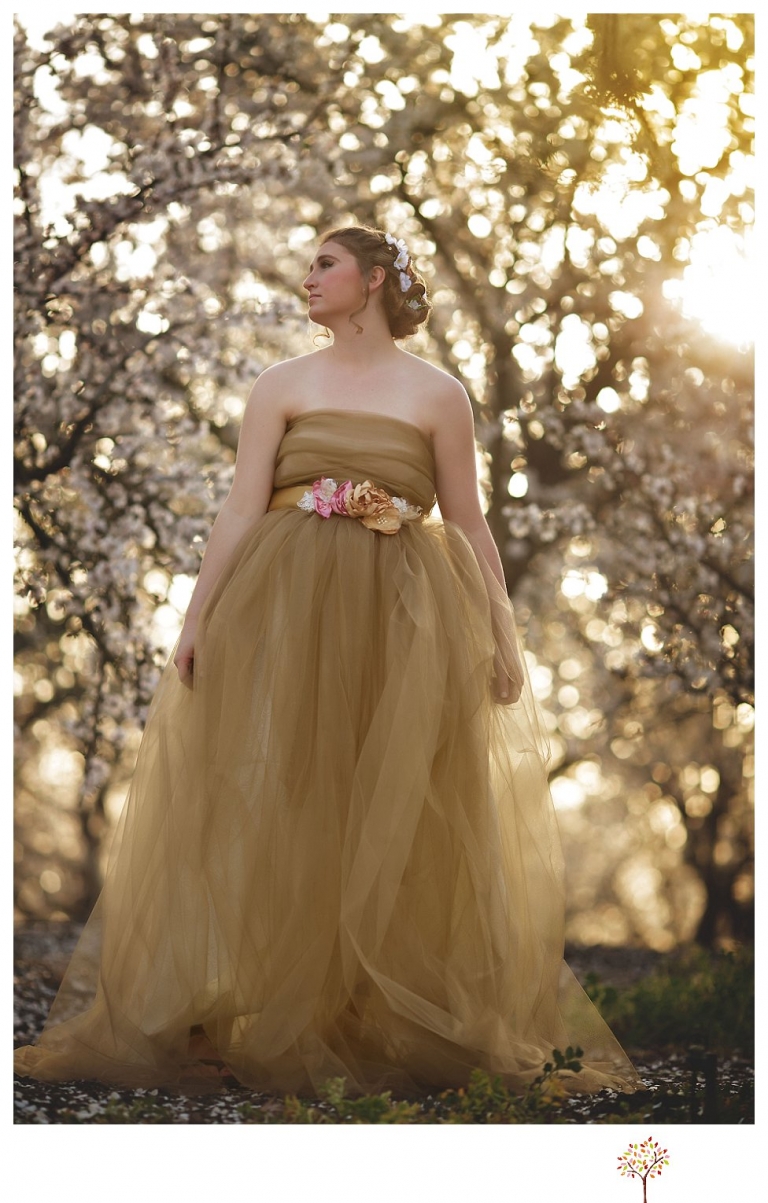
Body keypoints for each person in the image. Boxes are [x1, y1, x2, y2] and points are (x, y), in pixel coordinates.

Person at [14, 225, 643, 1099]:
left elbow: (468, 520)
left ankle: (359, 1016)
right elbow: (239, 508)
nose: (306, 278)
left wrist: (502, 634)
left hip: (403, 619)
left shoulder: (440, 395)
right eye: (308, 264)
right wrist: (195, 620)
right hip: (281, 608)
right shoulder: (282, 384)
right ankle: (203, 1017)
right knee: (262, 795)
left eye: (323, 264)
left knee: (392, 805)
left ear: (374, 279)